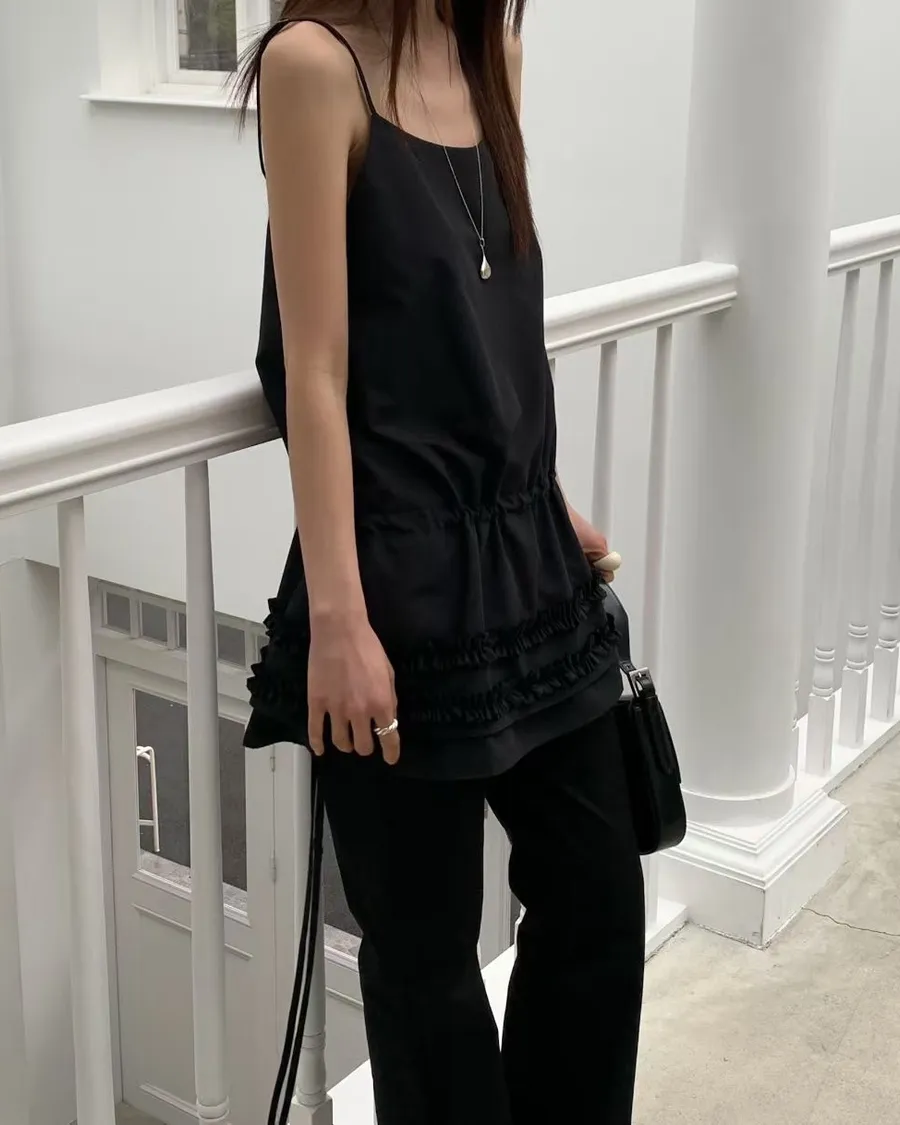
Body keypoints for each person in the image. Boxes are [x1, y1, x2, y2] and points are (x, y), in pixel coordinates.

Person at [236, 3, 645, 1122]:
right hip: (391, 580)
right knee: (426, 968)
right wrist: (339, 620)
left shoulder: (493, 52)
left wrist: (542, 497)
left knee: (598, 900)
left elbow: (495, 310)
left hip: (522, 556)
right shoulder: (313, 65)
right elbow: (313, 372)